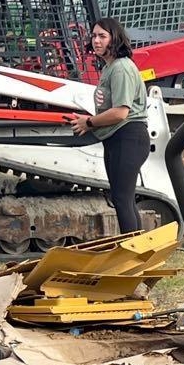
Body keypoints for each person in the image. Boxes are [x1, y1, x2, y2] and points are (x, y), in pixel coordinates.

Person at [71, 18, 153, 232]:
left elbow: (120, 112)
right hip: (118, 138)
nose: (96, 40)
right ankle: (136, 244)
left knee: (122, 199)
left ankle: (131, 247)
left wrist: (89, 122)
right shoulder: (110, 67)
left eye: (102, 36)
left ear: (114, 39)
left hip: (128, 137)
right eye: (93, 36)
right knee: (123, 199)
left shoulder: (121, 68)